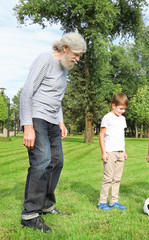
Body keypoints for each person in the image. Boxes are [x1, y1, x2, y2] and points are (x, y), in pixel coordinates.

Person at [20, 32, 86, 232]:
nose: (77, 59)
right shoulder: (45, 59)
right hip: (37, 117)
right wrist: (28, 126)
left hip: (52, 121)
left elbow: (56, 100)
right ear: (65, 49)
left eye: (80, 56)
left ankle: (47, 204)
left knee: (57, 162)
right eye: (76, 54)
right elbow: (27, 92)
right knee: (41, 161)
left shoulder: (64, 69)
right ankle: (30, 214)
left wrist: (61, 122)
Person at [97, 92, 129, 211]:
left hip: (120, 151)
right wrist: (104, 152)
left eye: (124, 109)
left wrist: (124, 151)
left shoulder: (122, 119)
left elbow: (121, 136)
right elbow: (101, 135)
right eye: (120, 108)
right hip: (110, 151)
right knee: (108, 178)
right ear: (113, 105)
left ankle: (114, 201)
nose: (122, 111)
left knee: (117, 178)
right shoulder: (107, 117)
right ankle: (102, 202)